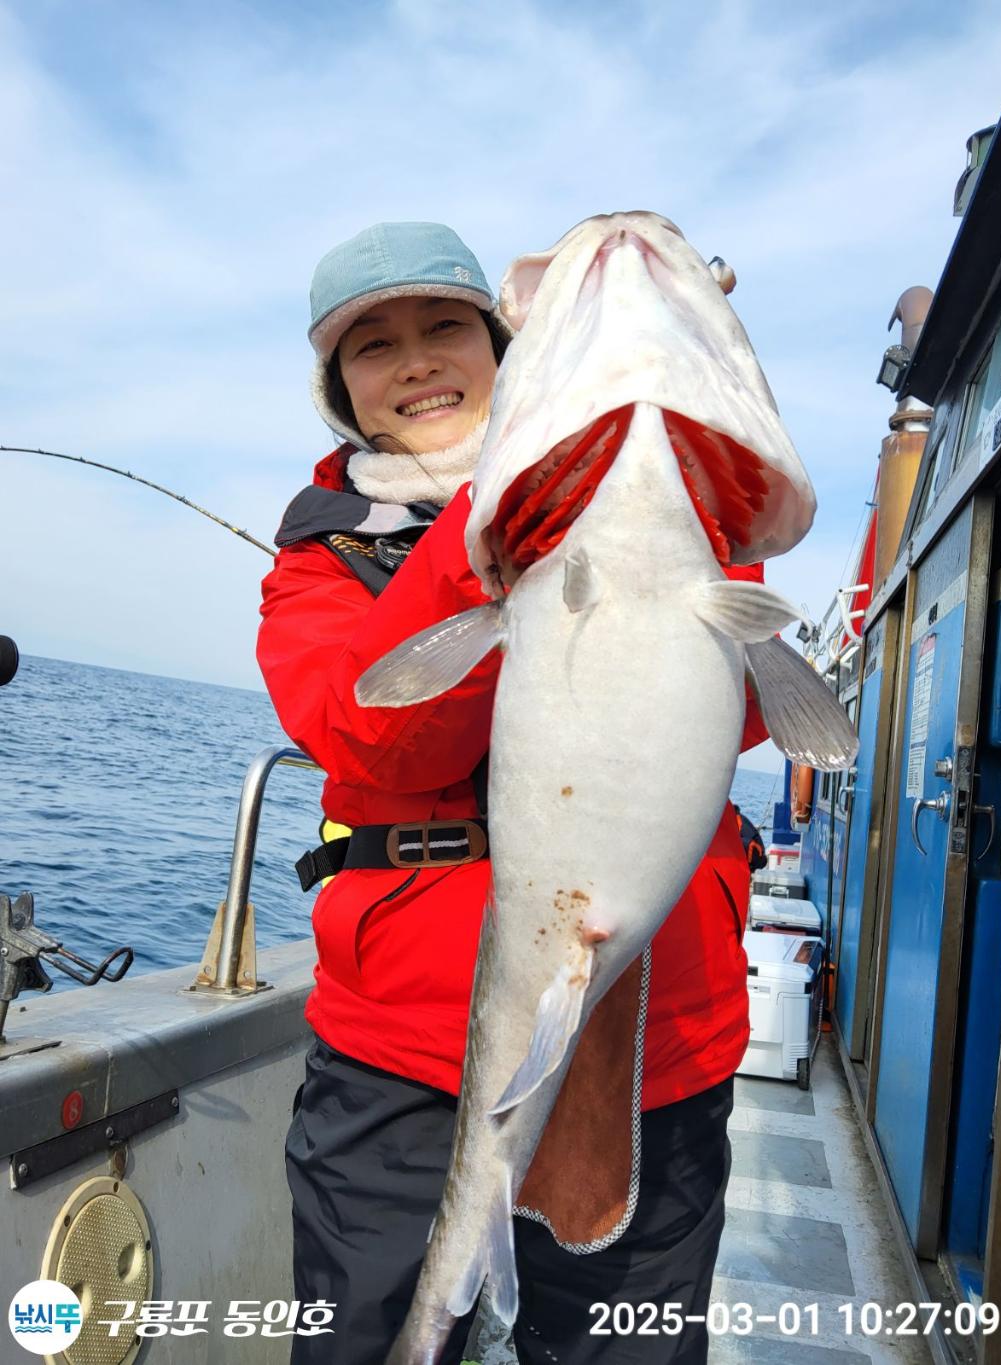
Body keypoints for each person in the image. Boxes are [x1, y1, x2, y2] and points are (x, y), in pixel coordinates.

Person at [257, 221, 769, 1365]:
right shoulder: (320, 559)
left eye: (445, 326)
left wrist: (657, 491)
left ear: (504, 346)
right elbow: (364, 735)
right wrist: (487, 531)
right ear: (340, 390)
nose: (417, 362)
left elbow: (737, 714)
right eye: (372, 346)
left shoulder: (656, 474)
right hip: (403, 1058)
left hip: (657, 1047)